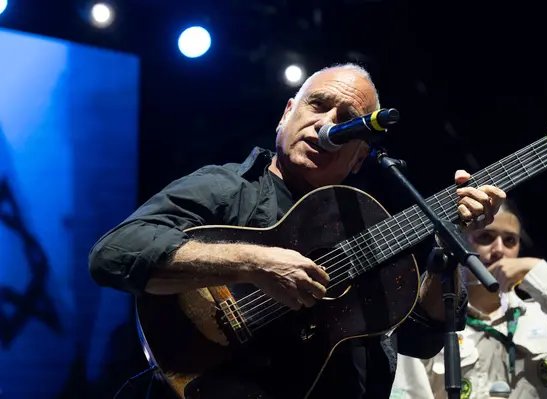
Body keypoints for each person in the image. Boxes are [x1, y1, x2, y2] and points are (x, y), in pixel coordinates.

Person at [88, 63, 506, 399]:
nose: (327, 124)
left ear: (360, 157)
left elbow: (423, 337)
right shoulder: (228, 188)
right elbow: (115, 253)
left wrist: (447, 245)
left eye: (347, 121)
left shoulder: (368, 222)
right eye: (318, 106)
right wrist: (253, 263)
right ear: (287, 113)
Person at [391, 200, 547, 399]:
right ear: (459, 243)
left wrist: (537, 270)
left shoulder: (544, 319)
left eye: (510, 240)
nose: (499, 250)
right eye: (485, 237)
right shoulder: (430, 324)